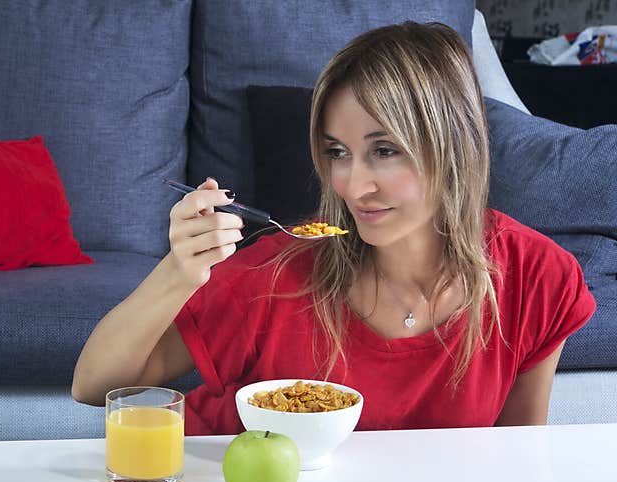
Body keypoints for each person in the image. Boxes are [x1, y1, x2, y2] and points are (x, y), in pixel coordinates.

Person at [71, 21, 596, 434]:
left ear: (453, 145)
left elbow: (519, 460)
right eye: (337, 153)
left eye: (384, 151)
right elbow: (95, 385)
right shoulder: (275, 273)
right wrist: (179, 270)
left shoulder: (537, 276)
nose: (352, 184)